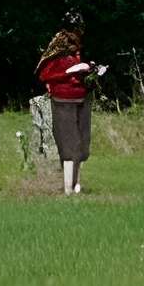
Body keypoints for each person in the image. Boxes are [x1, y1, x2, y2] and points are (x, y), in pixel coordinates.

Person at [36, 26, 106, 195]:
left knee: (81, 145)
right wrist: (68, 72)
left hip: (81, 100)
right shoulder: (55, 59)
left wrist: (93, 72)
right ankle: (68, 188)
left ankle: (76, 185)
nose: (77, 48)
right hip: (63, 102)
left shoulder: (76, 58)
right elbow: (45, 76)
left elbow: (82, 78)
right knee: (69, 145)